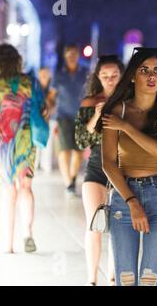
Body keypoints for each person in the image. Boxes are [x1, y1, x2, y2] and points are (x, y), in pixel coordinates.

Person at [98, 47, 157, 286]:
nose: (152, 76)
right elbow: (108, 163)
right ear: (133, 76)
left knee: (148, 279)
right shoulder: (116, 110)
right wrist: (132, 202)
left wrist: (125, 127)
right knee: (126, 279)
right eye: (144, 70)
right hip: (124, 195)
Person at [0, 44, 48, 253]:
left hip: (2, 142)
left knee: (8, 190)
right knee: (26, 187)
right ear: (17, 60)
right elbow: (43, 109)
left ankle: (8, 244)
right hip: (26, 140)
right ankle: (28, 233)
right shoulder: (30, 82)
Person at [74, 55, 124, 286]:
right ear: (97, 77)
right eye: (105, 76)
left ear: (123, 76)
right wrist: (97, 114)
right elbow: (81, 140)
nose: (110, 80)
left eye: (114, 75)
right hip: (96, 166)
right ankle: (92, 279)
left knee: (119, 227)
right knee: (94, 223)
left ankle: (113, 277)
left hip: (125, 168)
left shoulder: (131, 101)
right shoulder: (89, 102)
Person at [52, 45, 88, 198]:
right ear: (65, 57)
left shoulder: (85, 74)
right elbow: (52, 96)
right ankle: (68, 184)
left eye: (74, 54)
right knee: (64, 150)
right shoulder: (59, 75)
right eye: (69, 54)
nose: (71, 57)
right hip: (63, 116)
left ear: (78, 55)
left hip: (81, 117)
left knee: (78, 151)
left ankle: (72, 179)